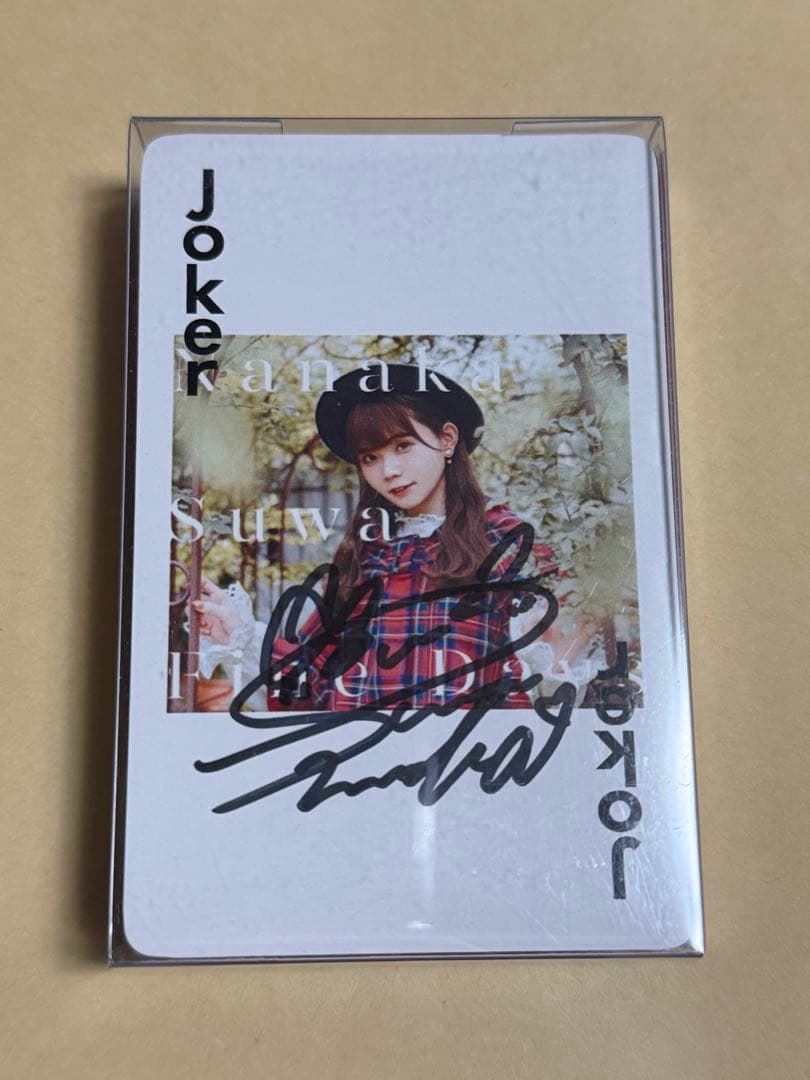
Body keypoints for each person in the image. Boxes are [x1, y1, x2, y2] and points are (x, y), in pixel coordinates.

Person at [193, 363, 586, 712]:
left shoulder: (505, 539)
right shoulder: (367, 553)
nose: (389, 470)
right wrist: (241, 634)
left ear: (447, 439)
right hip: (363, 758)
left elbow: (550, 672)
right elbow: (311, 679)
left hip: (468, 757)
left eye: (403, 446)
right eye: (371, 457)